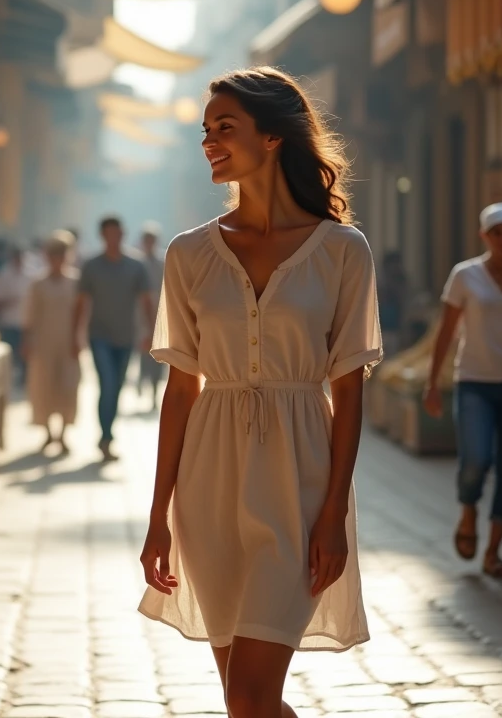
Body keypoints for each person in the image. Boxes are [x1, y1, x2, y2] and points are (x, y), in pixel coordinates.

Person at [138, 67, 382, 718]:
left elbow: (350, 392)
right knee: (246, 701)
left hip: (300, 480)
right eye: (204, 130)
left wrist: (334, 513)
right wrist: (158, 515)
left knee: (249, 696)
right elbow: (180, 392)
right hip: (207, 481)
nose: (209, 141)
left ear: (272, 138)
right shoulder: (189, 255)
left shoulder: (342, 252)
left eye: (226, 127)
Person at [423, 202, 502, 580]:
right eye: (497, 233)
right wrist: (433, 383)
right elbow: (445, 331)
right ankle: (468, 512)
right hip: (474, 382)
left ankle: (493, 551)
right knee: (476, 459)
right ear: (484, 236)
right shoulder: (465, 276)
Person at [74, 216, 152, 460]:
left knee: (116, 388)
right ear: (102, 236)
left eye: (117, 233)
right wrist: (74, 335)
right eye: (108, 233)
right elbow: (81, 302)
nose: (113, 238)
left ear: (123, 234)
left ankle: (108, 433)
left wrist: (151, 332)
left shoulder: (135, 265)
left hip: (126, 336)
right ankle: (106, 437)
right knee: (106, 385)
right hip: (99, 336)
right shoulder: (92, 266)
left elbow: (146, 302)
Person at [23, 232, 81, 453]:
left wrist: (79, 340)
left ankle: (63, 434)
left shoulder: (76, 281)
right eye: (53, 254)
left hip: (69, 343)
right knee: (43, 387)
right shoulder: (38, 284)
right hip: (43, 343)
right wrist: (27, 341)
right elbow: (30, 315)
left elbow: (82, 313)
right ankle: (48, 433)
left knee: (68, 387)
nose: (57, 259)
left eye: (62, 254)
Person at [0, 245, 32, 380]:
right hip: (8, 321)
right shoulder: (3, 274)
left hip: (26, 322)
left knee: (26, 356)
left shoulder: (31, 274)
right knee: (10, 356)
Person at [137, 223, 166, 410]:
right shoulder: (137, 263)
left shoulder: (164, 261)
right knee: (142, 353)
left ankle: (155, 392)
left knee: (159, 355)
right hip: (140, 316)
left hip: (161, 316)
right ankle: (142, 381)